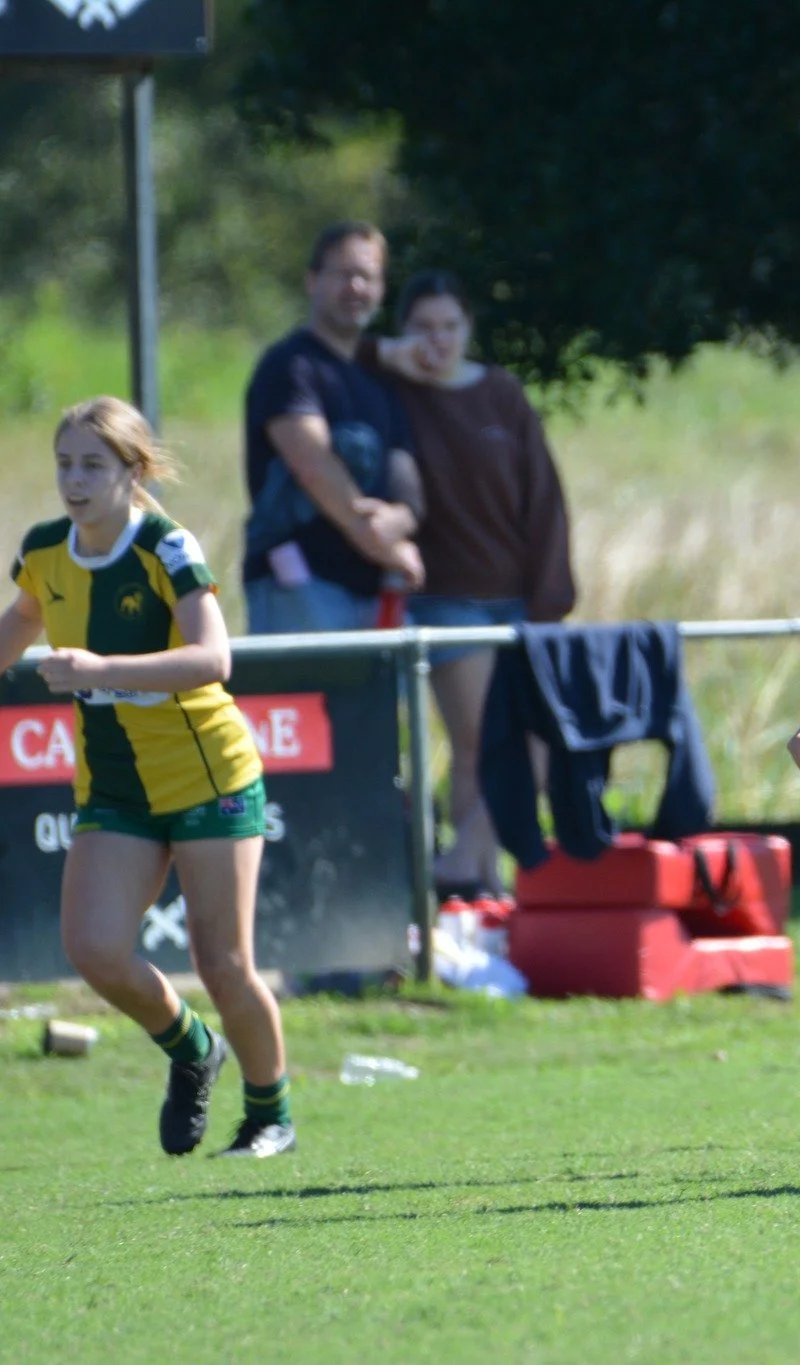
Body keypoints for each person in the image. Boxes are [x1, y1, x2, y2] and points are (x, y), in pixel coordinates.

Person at [0, 398, 294, 1158]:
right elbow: (19, 624)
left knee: (224, 966)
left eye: (93, 465)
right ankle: (194, 1048)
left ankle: (271, 1117)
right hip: (116, 786)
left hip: (208, 775)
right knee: (94, 948)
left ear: (133, 472)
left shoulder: (166, 546)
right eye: (64, 464)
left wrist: (102, 670)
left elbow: (213, 658)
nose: (74, 480)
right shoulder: (44, 552)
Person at [361, 271, 578, 897]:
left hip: (519, 599)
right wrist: (391, 355)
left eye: (449, 326)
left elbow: (545, 496)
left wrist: (551, 596)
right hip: (445, 600)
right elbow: (336, 354)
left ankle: (470, 868)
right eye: (423, 328)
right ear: (402, 332)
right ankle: (475, 880)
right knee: (478, 745)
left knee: (539, 738)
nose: (438, 340)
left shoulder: (501, 393)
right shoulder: (391, 390)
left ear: (469, 328)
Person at [243, 222, 425, 634]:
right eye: (344, 274)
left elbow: (408, 486)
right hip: (299, 586)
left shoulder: (379, 381)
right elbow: (314, 467)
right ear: (312, 281)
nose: (356, 287)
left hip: (374, 593)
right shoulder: (289, 366)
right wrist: (384, 544)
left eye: (368, 277)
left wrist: (399, 520)